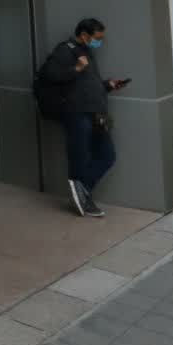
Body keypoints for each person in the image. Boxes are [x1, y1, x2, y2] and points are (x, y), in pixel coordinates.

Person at [38, 18, 129, 218]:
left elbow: (87, 85)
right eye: (97, 38)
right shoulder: (65, 50)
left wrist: (107, 86)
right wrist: (76, 69)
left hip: (95, 113)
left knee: (107, 155)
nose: (100, 42)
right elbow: (49, 75)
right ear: (84, 35)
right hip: (76, 112)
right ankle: (82, 197)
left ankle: (81, 191)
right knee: (79, 156)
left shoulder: (87, 52)